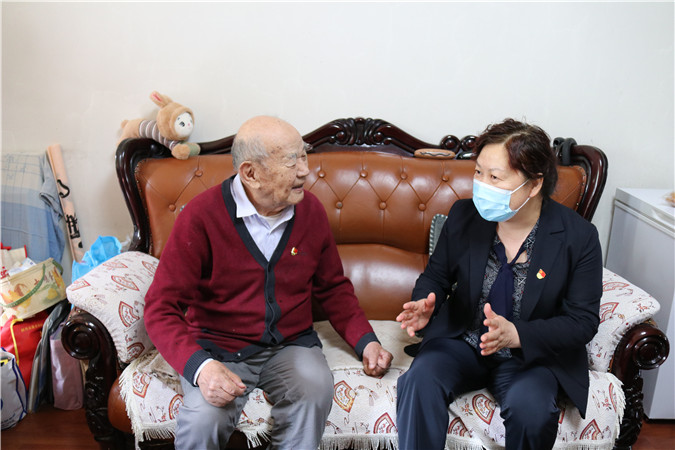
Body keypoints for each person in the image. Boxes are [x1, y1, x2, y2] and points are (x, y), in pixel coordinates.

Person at [144, 116, 393, 449]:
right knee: (203, 421)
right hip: (218, 348)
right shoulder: (201, 216)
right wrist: (201, 367)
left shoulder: (311, 211)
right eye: (292, 162)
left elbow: (333, 288)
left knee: (314, 392)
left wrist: (366, 342)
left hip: (291, 345)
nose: (305, 171)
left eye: (303, 155)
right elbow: (161, 307)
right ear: (250, 173)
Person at [395, 118, 603, 449]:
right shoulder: (464, 216)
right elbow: (436, 277)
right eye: (478, 172)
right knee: (418, 380)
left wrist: (517, 335)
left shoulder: (578, 237)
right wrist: (425, 302)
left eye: (495, 177)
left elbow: (583, 321)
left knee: (533, 411)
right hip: (464, 341)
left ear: (534, 184)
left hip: (530, 357)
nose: (481, 185)